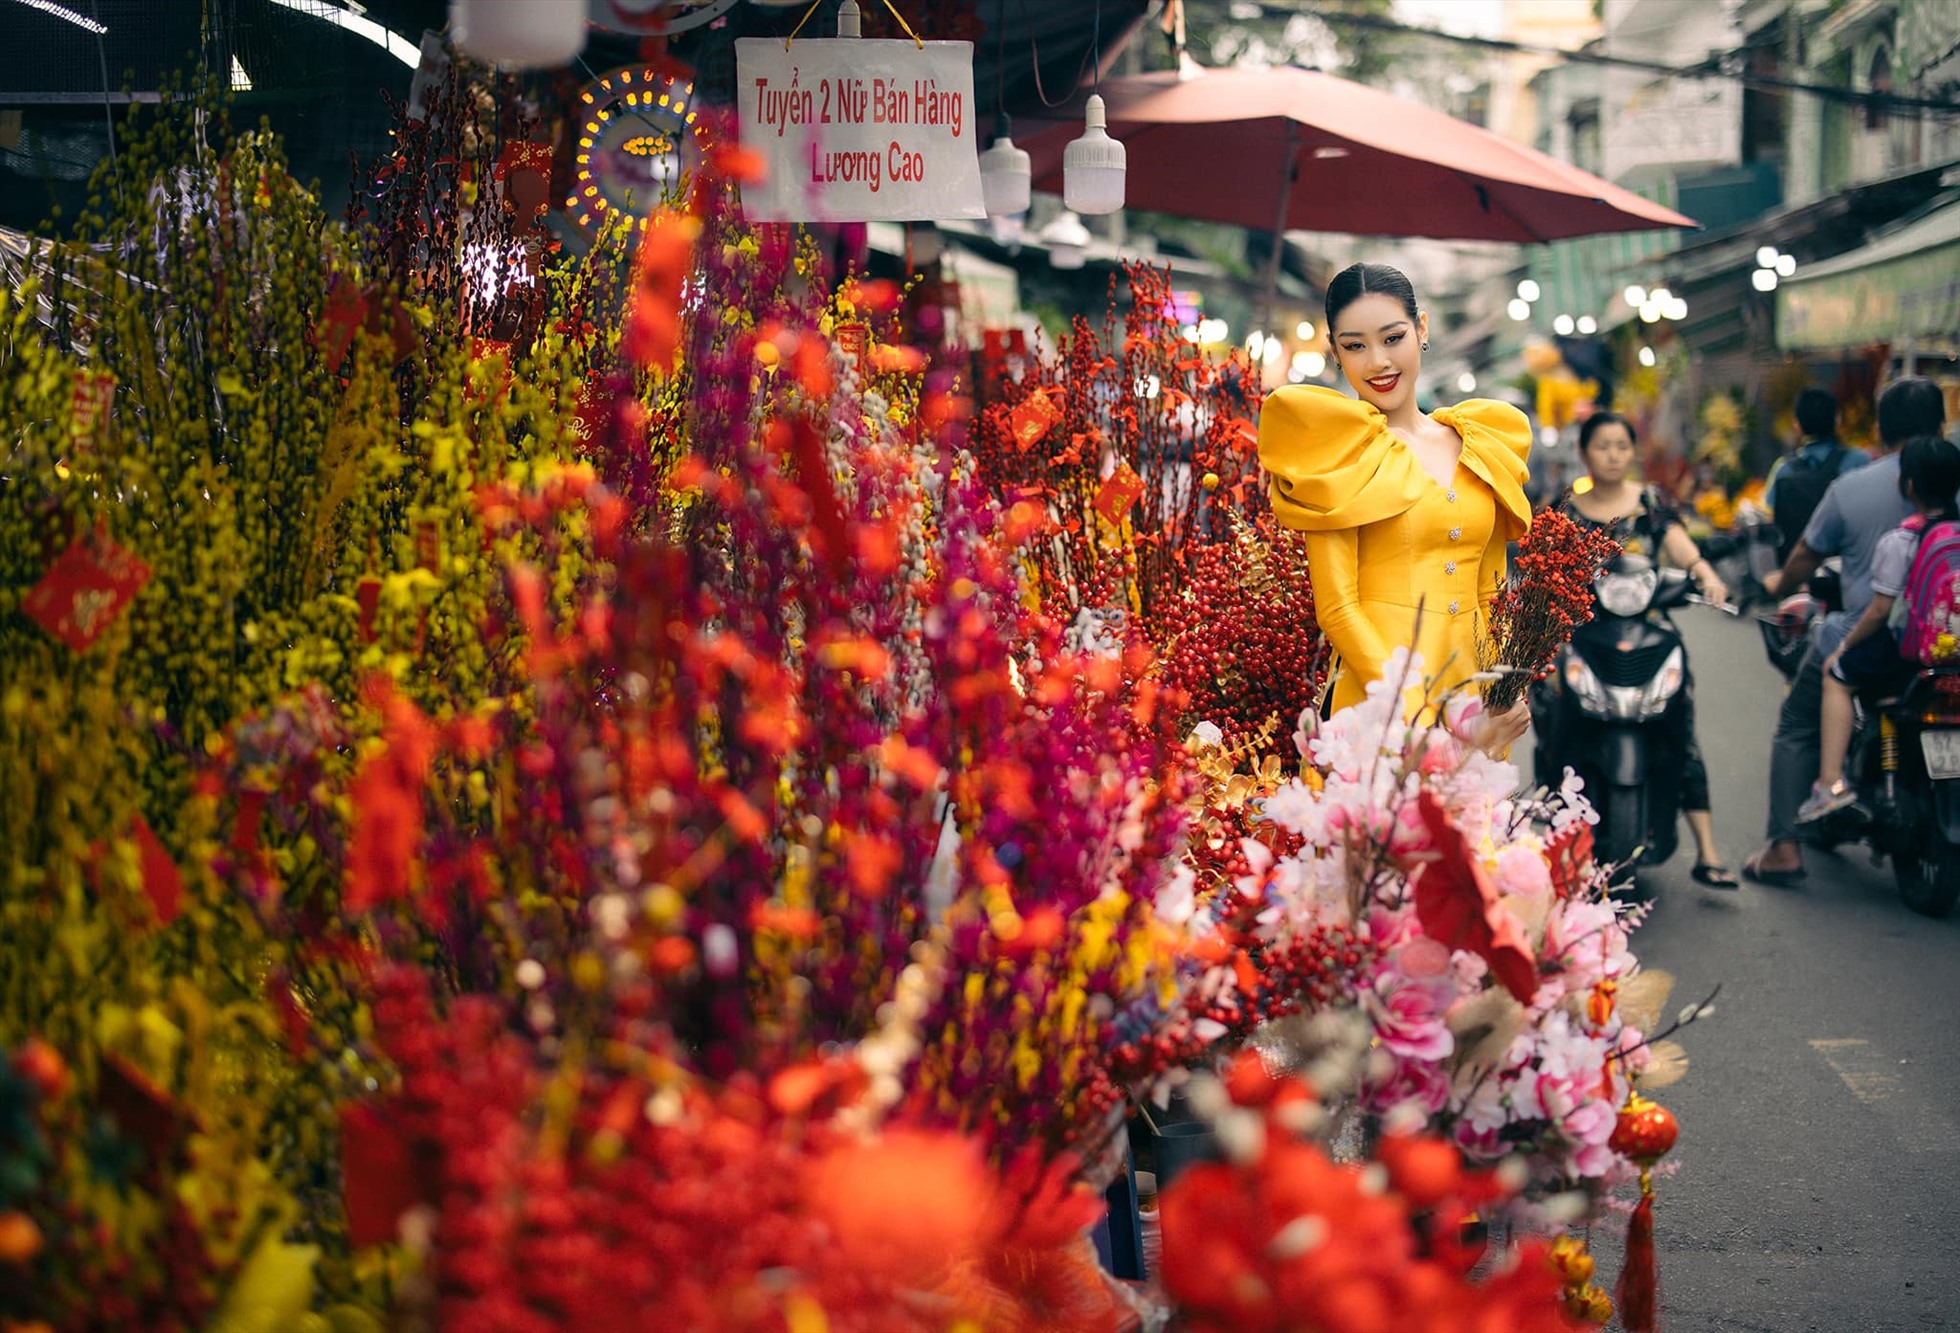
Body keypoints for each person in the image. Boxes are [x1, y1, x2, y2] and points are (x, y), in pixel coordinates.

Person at [1258, 262, 1532, 752]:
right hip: (1381, 707)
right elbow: (1338, 609)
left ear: (1421, 328)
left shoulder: (1478, 442)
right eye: (1355, 345)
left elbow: (1492, 594)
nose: (1378, 362)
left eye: (1392, 337)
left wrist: (1507, 686)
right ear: (1336, 353)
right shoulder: (1338, 454)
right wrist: (1410, 713)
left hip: (1475, 695)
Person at [1743, 377, 1949, 886]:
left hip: (1875, 637)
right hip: (1951, 644)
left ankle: (1785, 846)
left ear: (1879, 429)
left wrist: (1776, 582)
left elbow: (1805, 556)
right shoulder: (1951, 479)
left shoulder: (1854, 486)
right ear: (1942, 426)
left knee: (1797, 720)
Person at [1557, 411, 1738, 888]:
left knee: (1681, 729)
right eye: (1602, 446)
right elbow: (1544, 555)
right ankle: (1554, 834)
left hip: (1650, 633)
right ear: (1584, 453)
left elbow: (1680, 545)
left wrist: (1707, 576)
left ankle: (1708, 850)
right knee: (1558, 720)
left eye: (1621, 446)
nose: (1613, 455)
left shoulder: (1650, 502)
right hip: (1585, 634)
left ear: (1632, 451)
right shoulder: (1568, 508)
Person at [1797, 435, 1960, 822]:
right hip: (1955, 654)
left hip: (1914, 653)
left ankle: (1830, 784)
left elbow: (1879, 612)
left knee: (1837, 674)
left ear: (1907, 486)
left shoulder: (1900, 541)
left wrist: (1844, 647)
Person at [1764, 387, 1866, 564]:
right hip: (1846, 565)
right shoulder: (1858, 461)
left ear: (1797, 426)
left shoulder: (1783, 468)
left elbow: (1770, 518)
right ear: (1837, 421)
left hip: (1796, 570)